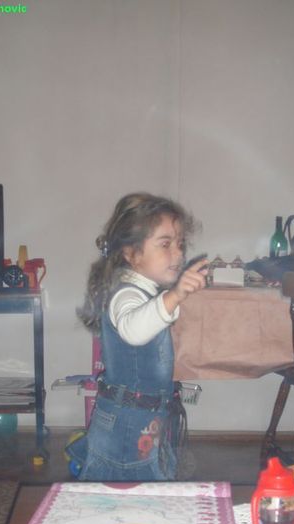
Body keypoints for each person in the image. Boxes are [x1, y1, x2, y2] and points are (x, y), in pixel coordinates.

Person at [67, 192, 208, 481]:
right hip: (126, 426)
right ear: (131, 253)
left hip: (142, 421)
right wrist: (174, 295)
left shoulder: (145, 292)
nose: (178, 253)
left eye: (180, 244)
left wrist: (171, 298)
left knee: (141, 490)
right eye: (165, 244)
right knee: (127, 491)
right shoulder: (126, 293)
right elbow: (134, 330)